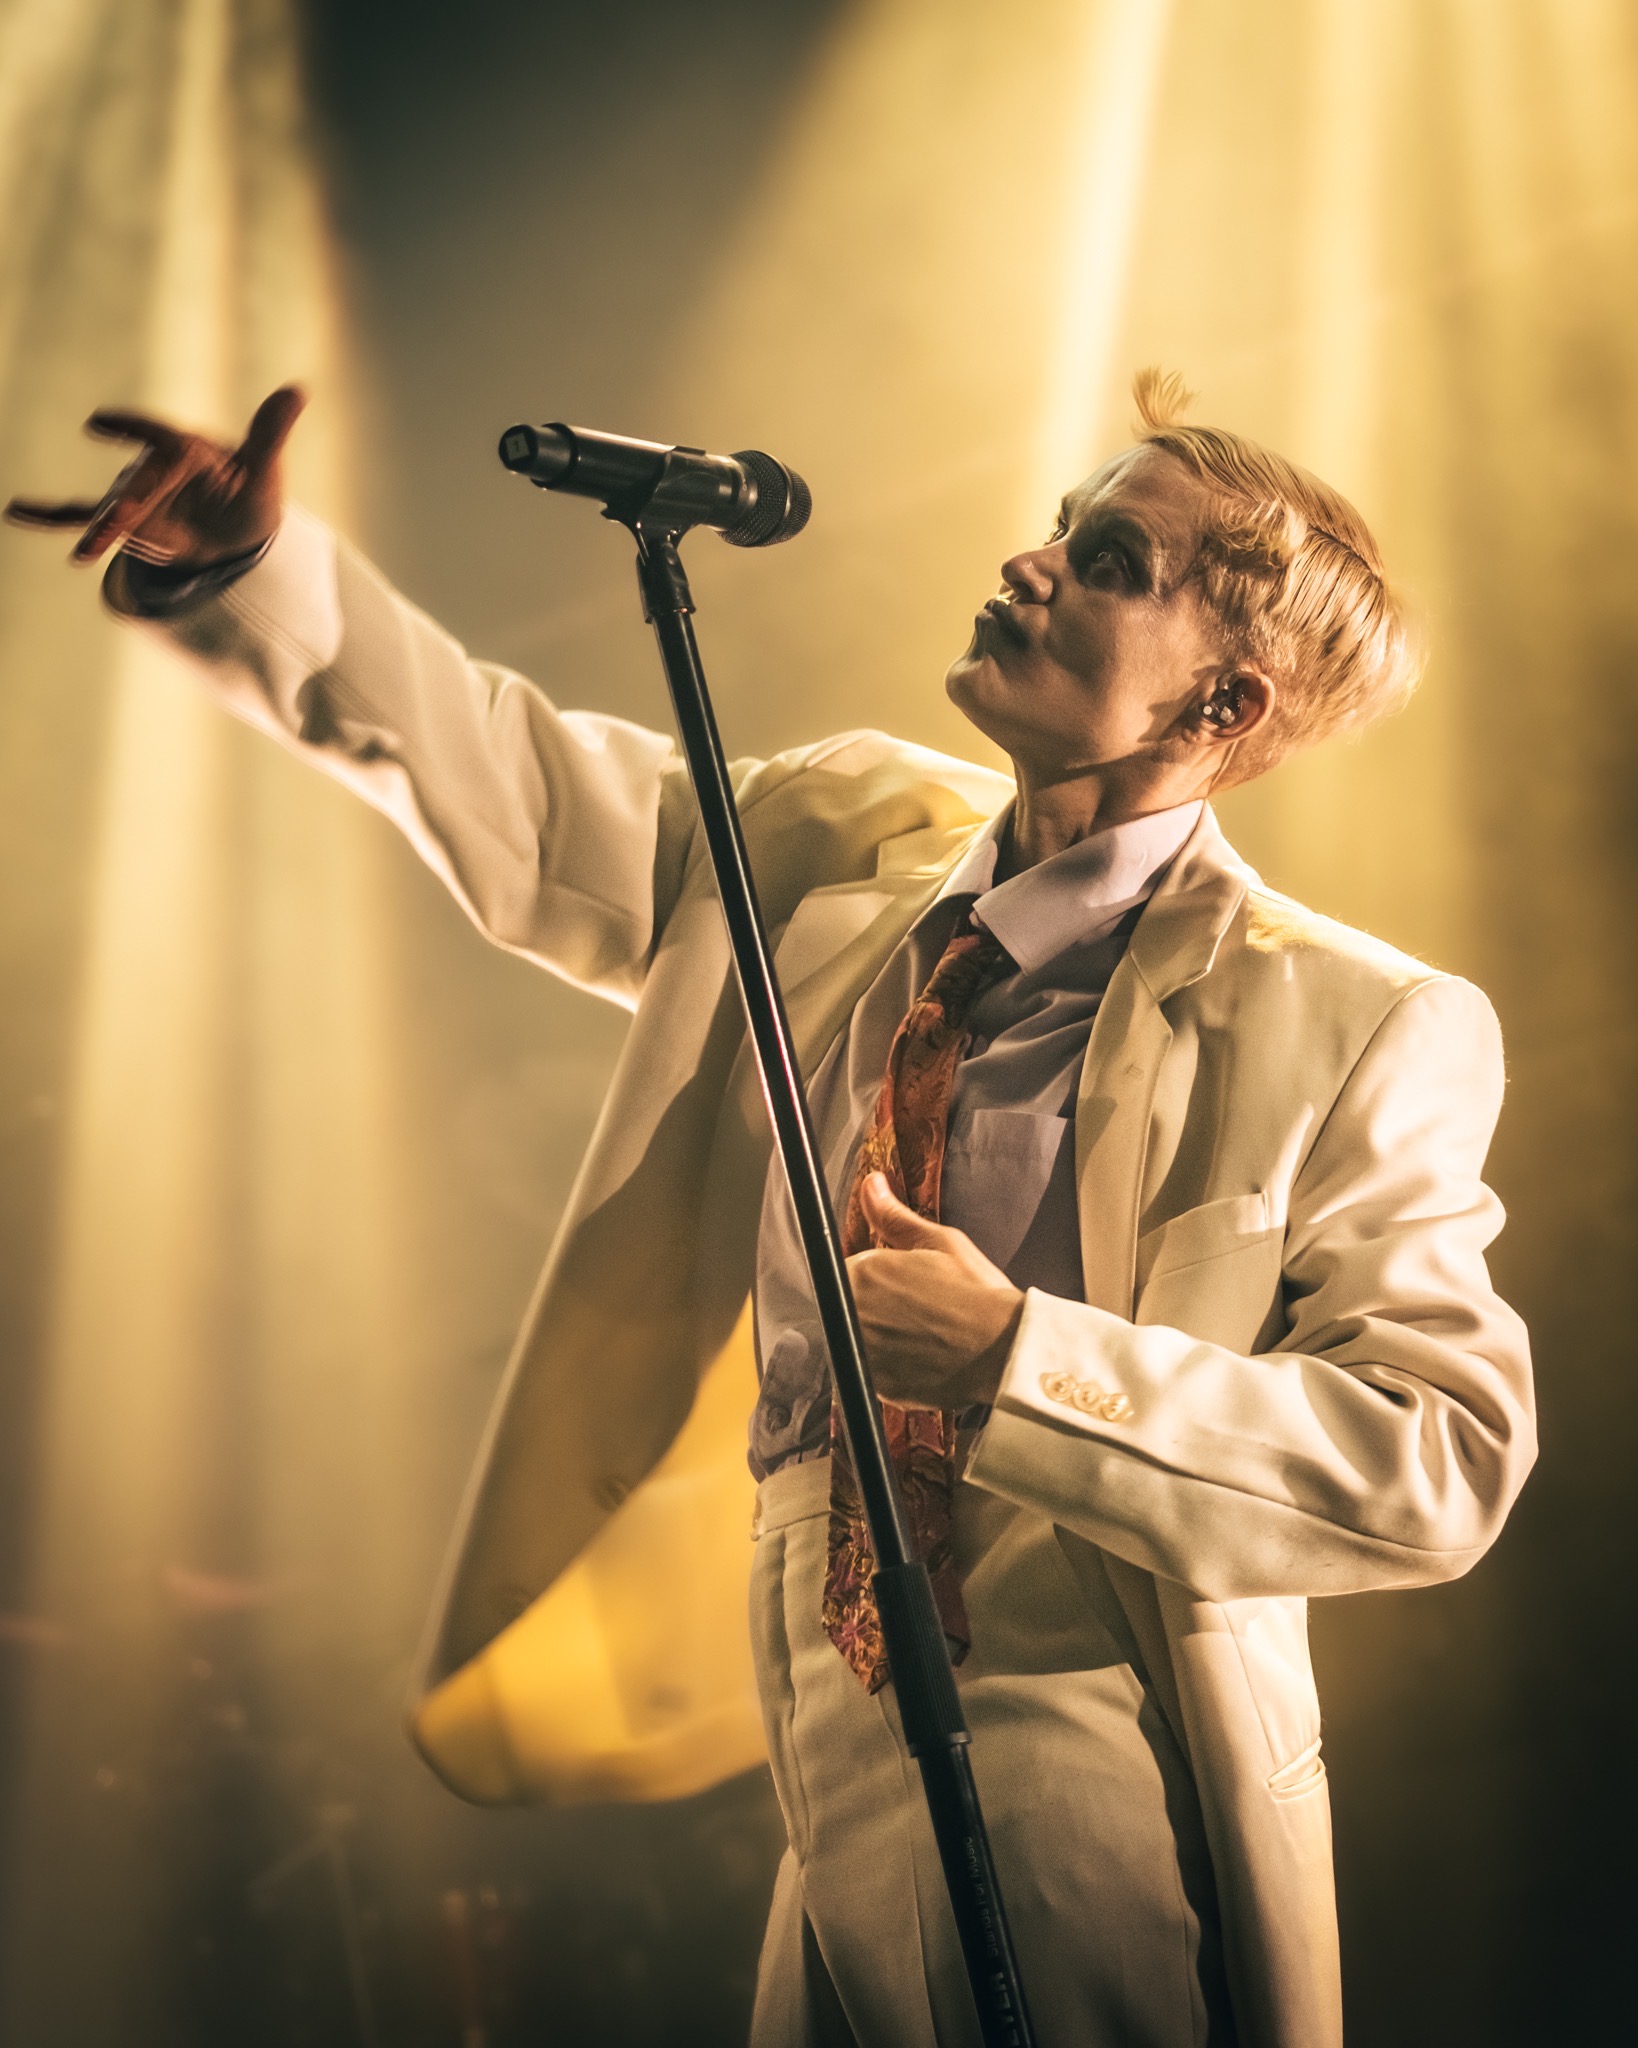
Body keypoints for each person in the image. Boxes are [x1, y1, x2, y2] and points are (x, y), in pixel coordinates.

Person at [6, 372, 1535, 2048]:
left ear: (1225, 699)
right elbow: (522, 796)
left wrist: (1018, 1360)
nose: (1026, 563)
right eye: (1058, 526)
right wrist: (254, 574)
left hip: (1076, 1690)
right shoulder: (835, 844)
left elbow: (1440, 1454)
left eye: (1106, 562)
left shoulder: (1349, 1015)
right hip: (808, 1675)